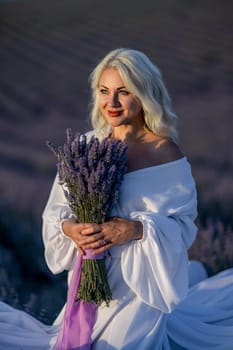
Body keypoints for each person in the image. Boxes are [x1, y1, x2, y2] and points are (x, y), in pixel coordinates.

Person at [1, 48, 233, 350]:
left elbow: (183, 226)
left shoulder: (165, 153)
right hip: (90, 276)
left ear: (144, 94)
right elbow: (56, 212)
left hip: (140, 283)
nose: (111, 103)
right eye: (104, 91)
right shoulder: (85, 145)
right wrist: (71, 230)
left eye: (123, 92)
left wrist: (135, 230)